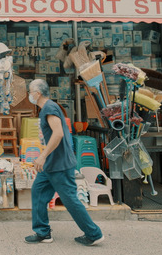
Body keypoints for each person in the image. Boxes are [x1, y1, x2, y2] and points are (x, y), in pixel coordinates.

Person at [24, 78, 104, 246]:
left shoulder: (49, 108)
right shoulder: (47, 108)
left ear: (37, 94)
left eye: (30, 91)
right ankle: (43, 232)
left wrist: (42, 155)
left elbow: (58, 133)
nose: (29, 95)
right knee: (38, 192)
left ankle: (94, 234)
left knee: (70, 200)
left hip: (59, 165)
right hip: (51, 165)